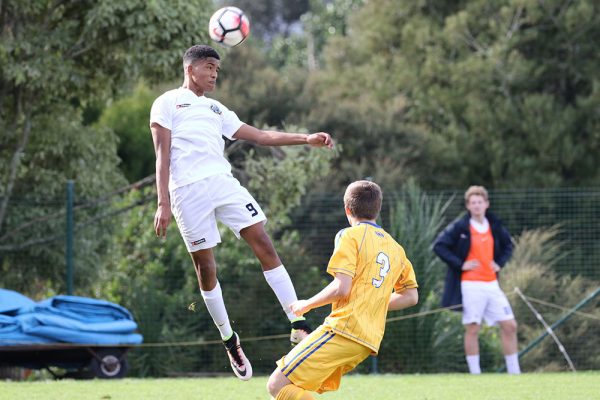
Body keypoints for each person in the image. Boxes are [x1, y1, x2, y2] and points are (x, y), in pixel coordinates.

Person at [149, 44, 334, 381]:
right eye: (209, 67)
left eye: (217, 70)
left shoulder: (217, 109)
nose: (215, 74)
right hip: (186, 193)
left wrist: (305, 138)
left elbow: (261, 136)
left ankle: (298, 322)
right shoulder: (166, 102)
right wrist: (162, 202)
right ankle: (229, 339)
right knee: (206, 268)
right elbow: (162, 156)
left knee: (263, 241)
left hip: (223, 183)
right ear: (191, 69)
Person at [267, 180, 419, 400]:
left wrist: (306, 304)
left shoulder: (349, 235)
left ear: (347, 209)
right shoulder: (396, 248)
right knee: (293, 387)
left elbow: (342, 288)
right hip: (368, 339)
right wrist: (371, 300)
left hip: (344, 329)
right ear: (378, 208)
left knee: (277, 385)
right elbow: (411, 296)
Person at [433, 185, 520, 374]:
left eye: (480, 202)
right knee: (473, 327)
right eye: (473, 203)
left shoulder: (494, 225)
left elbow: (508, 246)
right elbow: (439, 246)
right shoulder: (461, 226)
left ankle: (515, 373)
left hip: (492, 284)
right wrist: (460, 263)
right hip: (470, 285)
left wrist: (500, 263)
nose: (477, 206)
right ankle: (475, 374)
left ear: (486, 204)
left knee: (510, 325)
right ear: (468, 206)